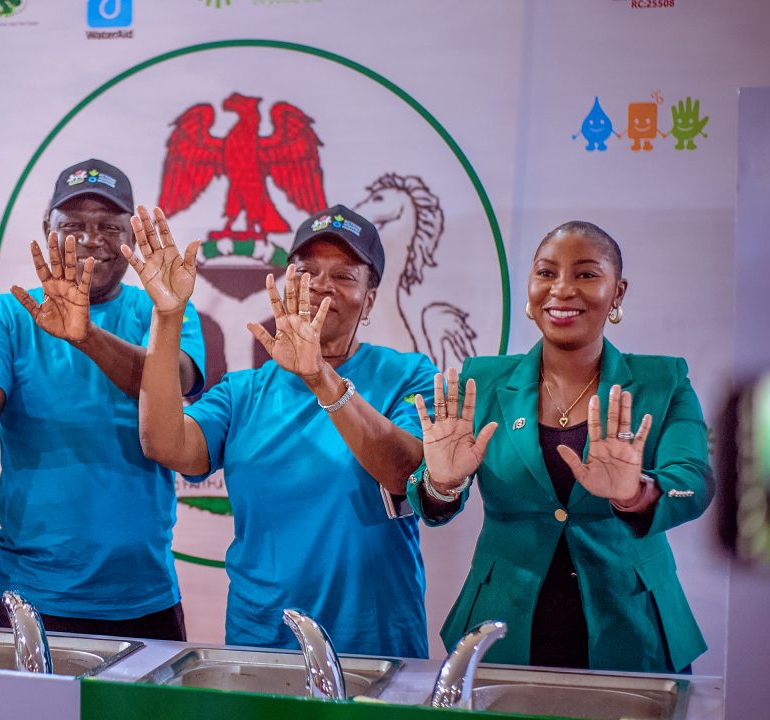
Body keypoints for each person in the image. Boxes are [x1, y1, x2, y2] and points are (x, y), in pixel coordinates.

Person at [0, 159, 204, 640]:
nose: (91, 240)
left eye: (108, 226)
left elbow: (173, 381)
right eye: (73, 226)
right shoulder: (15, 316)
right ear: (47, 230)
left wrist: (86, 337)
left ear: (132, 233)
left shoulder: (164, 307)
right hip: (33, 592)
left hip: (142, 591)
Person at [408, 221, 711, 673]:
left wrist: (637, 492)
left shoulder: (662, 381)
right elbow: (429, 497)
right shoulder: (482, 380)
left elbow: (693, 482)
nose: (562, 289)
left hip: (634, 629)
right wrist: (442, 482)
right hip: (501, 626)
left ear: (618, 293)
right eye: (546, 273)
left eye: (587, 274)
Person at [134, 204, 435, 657]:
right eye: (307, 270)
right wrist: (167, 314)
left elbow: (405, 475)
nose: (320, 285)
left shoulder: (409, 375)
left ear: (369, 299)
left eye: (344, 275)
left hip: (374, 643)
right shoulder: (244, 391)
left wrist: (320, 377)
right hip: (263, 641)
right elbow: (164, 442)